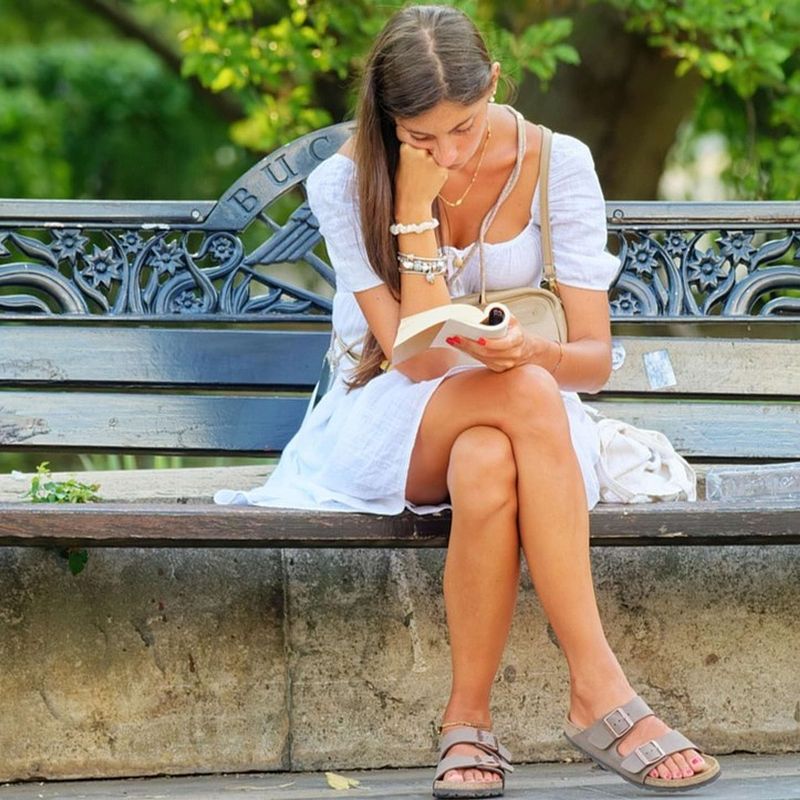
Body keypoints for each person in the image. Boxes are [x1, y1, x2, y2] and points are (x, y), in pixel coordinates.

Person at [215, 5, 720, 797]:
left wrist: (533, 352)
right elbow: (414, 362)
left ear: (493, 84)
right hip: (390, 421)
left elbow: (587, 362)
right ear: (388, 120)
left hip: (533, 427)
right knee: (515, 396)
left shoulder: (562, 163)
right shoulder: (346, 181)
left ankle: (466, 724)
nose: (447, 152)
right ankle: (601, 689)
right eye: (421, 137)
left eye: (465, 127)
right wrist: (414, 210)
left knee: (490, 458)